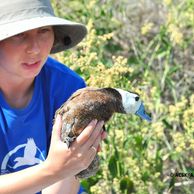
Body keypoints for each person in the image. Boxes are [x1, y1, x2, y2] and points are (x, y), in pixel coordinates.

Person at [0, 0, 105, 193]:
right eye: (19, 35)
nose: (35, 49)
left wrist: (74, 162)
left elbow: (66, 180)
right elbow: (60, 168)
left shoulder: (67, 87)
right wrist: (53, 170)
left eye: (43, 31)